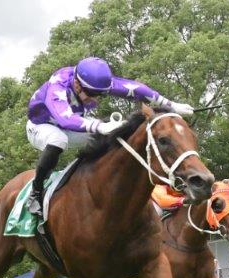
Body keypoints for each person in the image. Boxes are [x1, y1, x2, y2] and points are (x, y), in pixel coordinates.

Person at [23, 56, 193, 215]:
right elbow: (64, 118)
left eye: (100, 94)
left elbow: (136, 89)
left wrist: (171, 105)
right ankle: (35, 192)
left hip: (72, 124)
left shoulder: (91, 82)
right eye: (92, 94)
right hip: (42, 125)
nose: (95, 99)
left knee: (116, 135)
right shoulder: (58, 86)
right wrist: (100, 126)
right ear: (76, 84)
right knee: (59, 140)